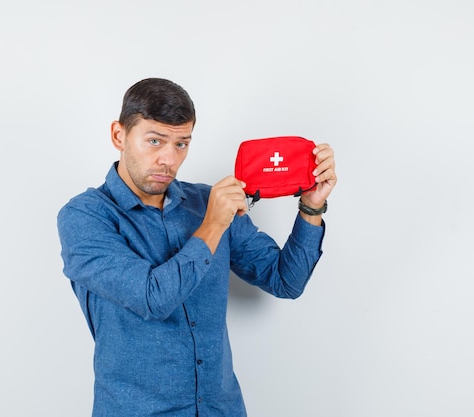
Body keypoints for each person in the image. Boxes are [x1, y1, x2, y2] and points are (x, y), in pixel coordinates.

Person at [57, 77, 337, 416]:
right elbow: (152, 298)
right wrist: (214, 224)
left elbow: (285, 281)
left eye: (181, 144)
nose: (168, 159)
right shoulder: (85, 217)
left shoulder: (207, 201)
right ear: (119, 135)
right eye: (155, 141)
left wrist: (311, 207)